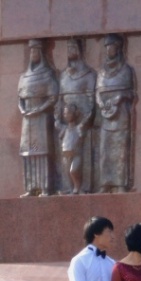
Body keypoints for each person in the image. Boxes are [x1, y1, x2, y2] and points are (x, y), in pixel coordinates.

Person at [96, 33, 136, 193]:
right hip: (105, 116)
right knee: (105, 151)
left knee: (120, 150)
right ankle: (105, 183)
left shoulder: (126, 70)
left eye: (111, 46)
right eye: (106, 47)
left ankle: (120, 184)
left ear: (118, 48)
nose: (108, 50)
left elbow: (131, 94)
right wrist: (100, 103)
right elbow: (97, 92)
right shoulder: (101, 72)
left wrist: (120, 97)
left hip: (121, 116)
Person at [18, 39, 58, 197]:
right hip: (27, 120)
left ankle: (44, 187)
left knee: (41, 152)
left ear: (41, 54)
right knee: (29, 153)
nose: (33, 54)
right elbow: (19, 97)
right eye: (31, 51)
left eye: (36, 51)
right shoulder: (24, 77)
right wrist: (23, 109)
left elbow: (53, 97)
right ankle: (31, 187)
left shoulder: (47, 74)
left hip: (41, 119)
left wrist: (39, 110)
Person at [56, 37, 95, 194]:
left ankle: (82, 187)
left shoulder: (89, 74)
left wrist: (84, 122)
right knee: (66, 157)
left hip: (83, 124)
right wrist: (58, 119)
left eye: (73, 47)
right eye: (68, 48)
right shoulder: (64, 76)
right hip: (67, 123)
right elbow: (59, 100)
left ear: (80, 50)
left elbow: (92, 102)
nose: (70, 51)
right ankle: (67, 187)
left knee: (80, 158)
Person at [58, 103, 85, 194]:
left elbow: (87, 119)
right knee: (67, 173)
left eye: (69, 113)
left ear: (75, 114)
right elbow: (56, 123)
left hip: (76, 154)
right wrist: (56, 110)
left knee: (73, 171)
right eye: (65, 113)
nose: (66, 115)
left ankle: (77, 187)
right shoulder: (64, 128)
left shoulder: (78, 128)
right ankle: (71, 189)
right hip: (66, 155)